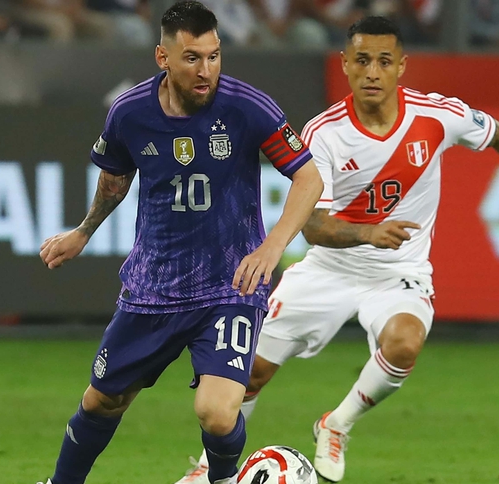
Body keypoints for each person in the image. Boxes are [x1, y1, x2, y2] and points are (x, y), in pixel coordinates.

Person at [177, 15, 499, 484]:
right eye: (363, 60)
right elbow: (314, 227)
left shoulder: (436, 116)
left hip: (398, 273)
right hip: (327, 269)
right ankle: (210, 469)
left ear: (402, 67)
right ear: (346, 65)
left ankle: (336, 424)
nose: (373, 71)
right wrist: (367, 233)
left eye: (384, 61)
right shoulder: (323, 134)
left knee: (406, 342)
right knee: (249, 376)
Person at [36, 2, 323, 484]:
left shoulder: (247, 106)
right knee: (103, 399)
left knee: (216, 412)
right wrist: (83, 231)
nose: (206, 70)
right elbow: (114, 180)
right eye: (192, 58)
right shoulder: (130, 113)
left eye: (213, 56)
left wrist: (273, 245)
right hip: (154, 287)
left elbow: (308, 178)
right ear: (162, 58)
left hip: (230, 284)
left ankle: (223, 480)